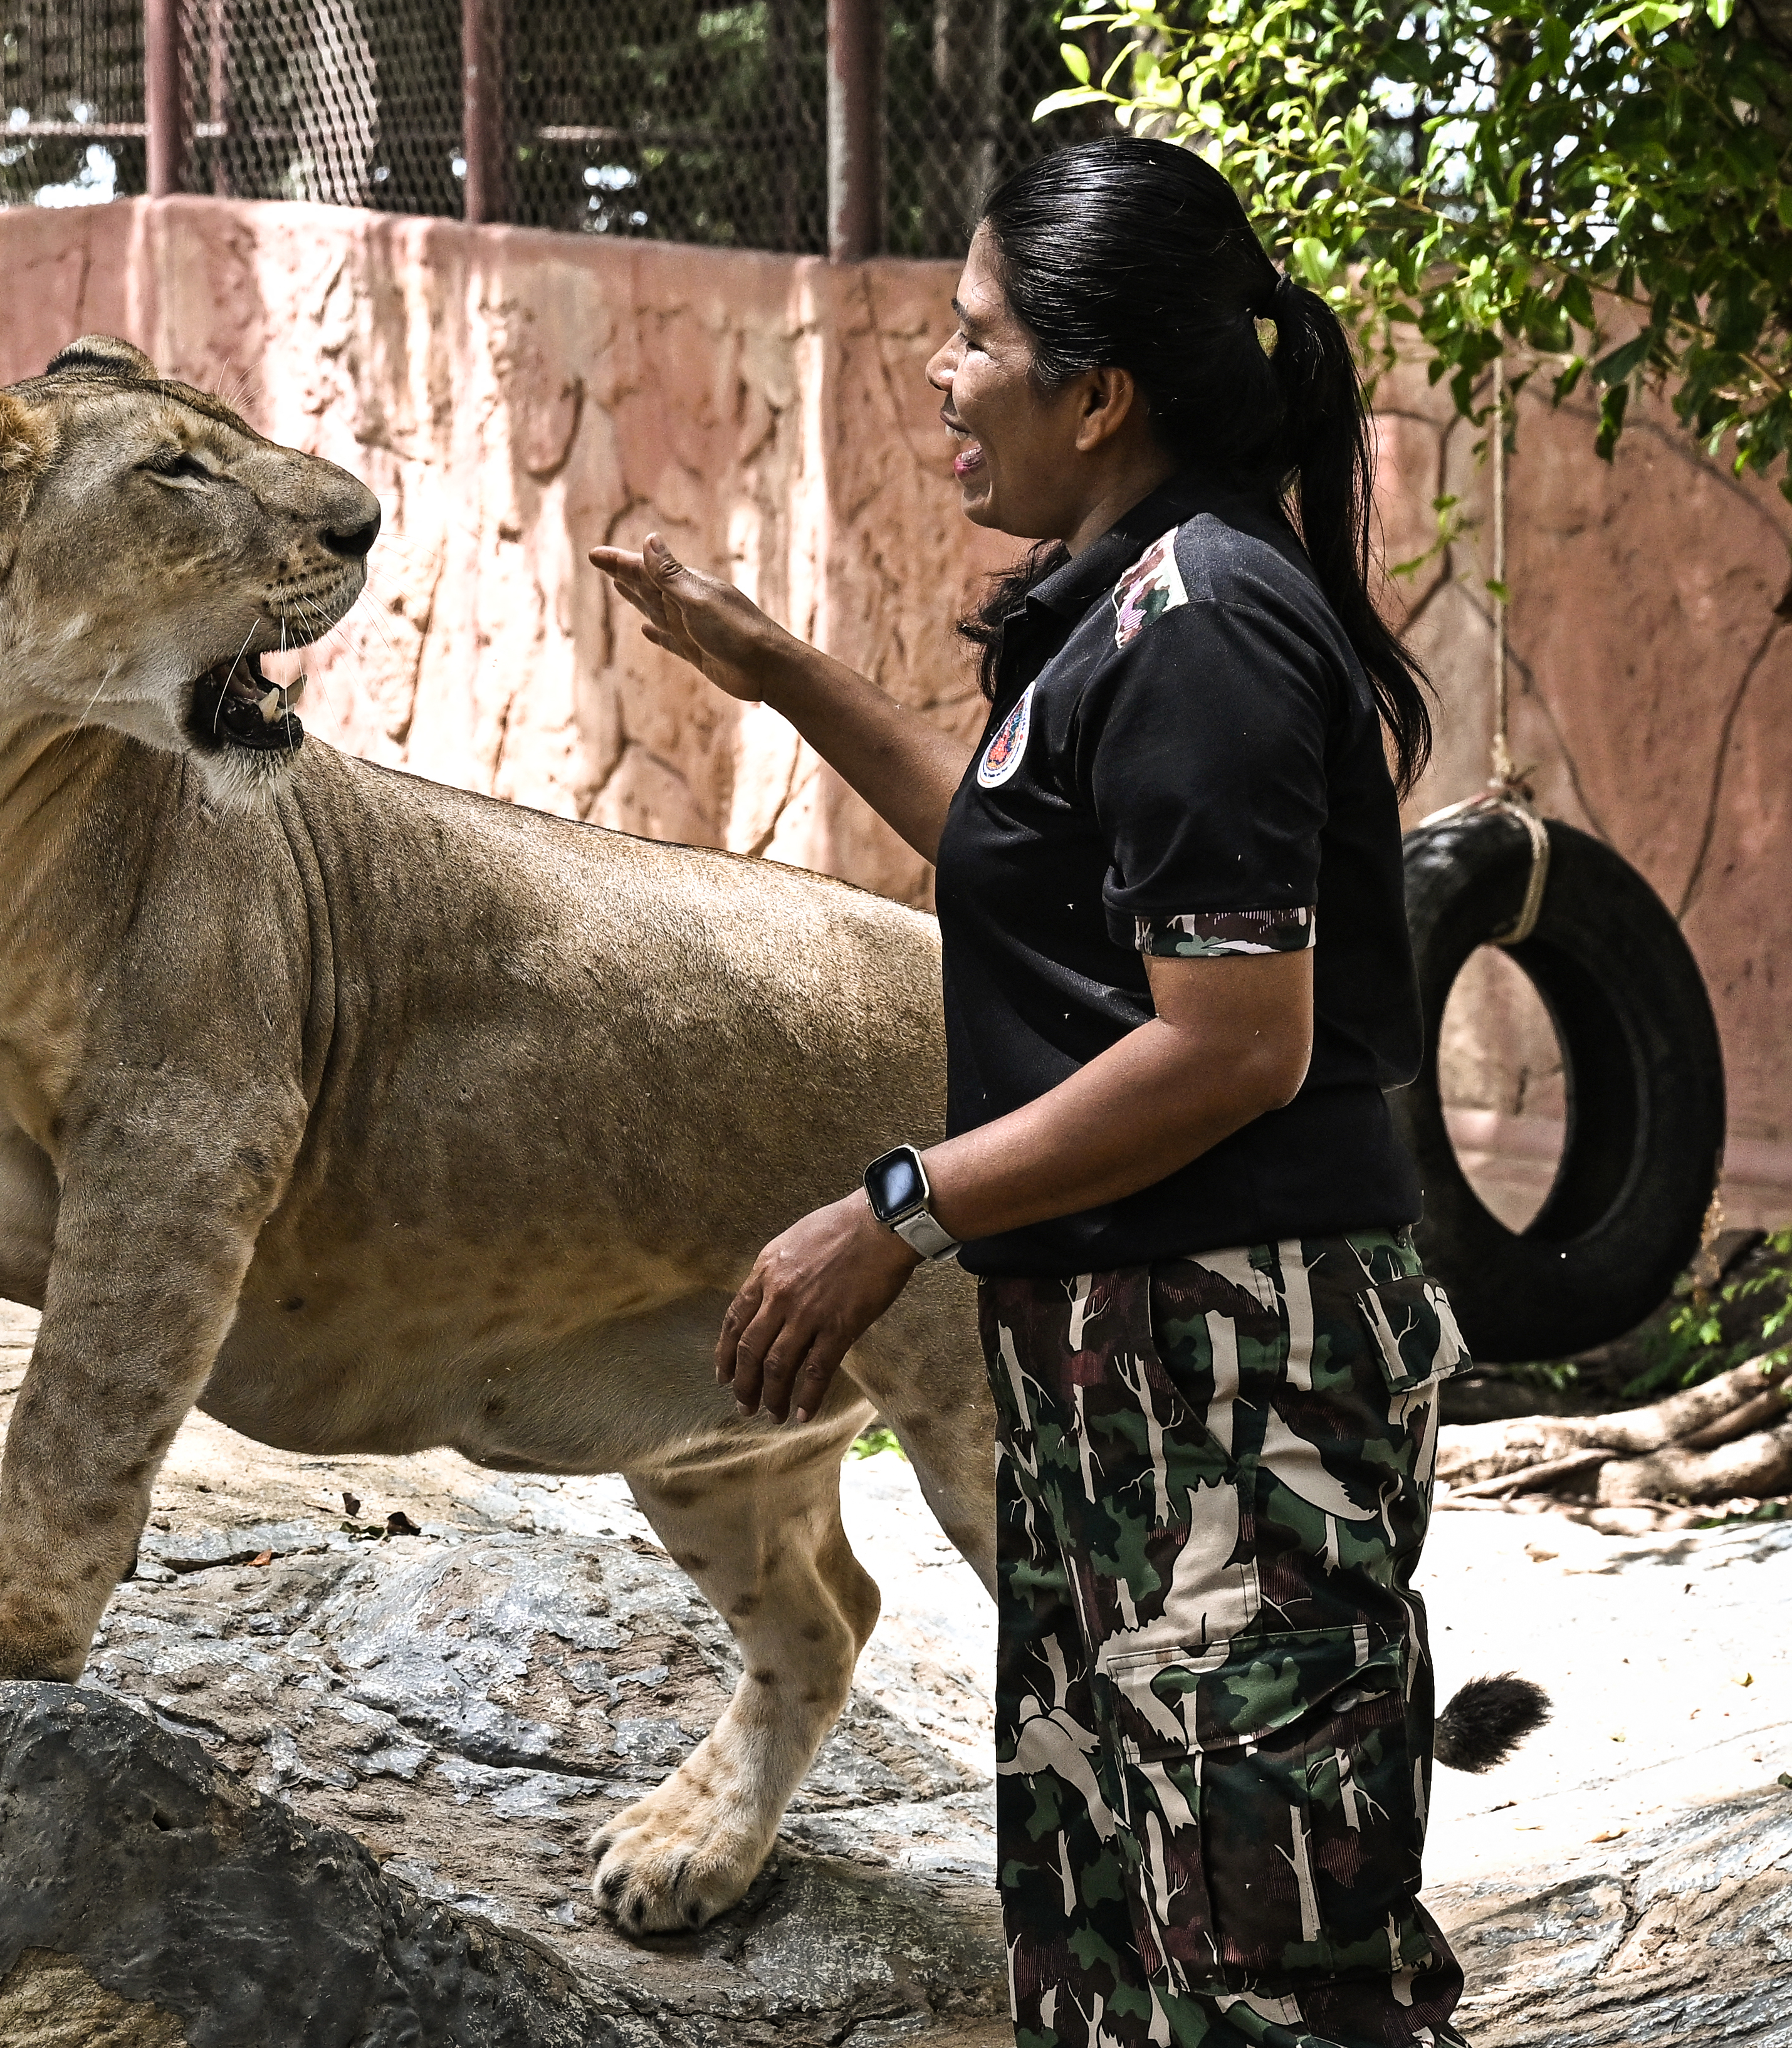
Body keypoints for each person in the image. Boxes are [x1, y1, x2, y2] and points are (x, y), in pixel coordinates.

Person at [594, 137, 1472, 2047]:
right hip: (1115, 1354)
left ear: (1100, 392)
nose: (939, 370)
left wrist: (892, 1208)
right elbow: (1011, 852)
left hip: (1241, 1359)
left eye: (977, 336)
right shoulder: (1122, 598)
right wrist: (772, 670)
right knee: (1104, 1926)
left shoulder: (1211, 624)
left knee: (1265, 1942)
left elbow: (1239, 1039)